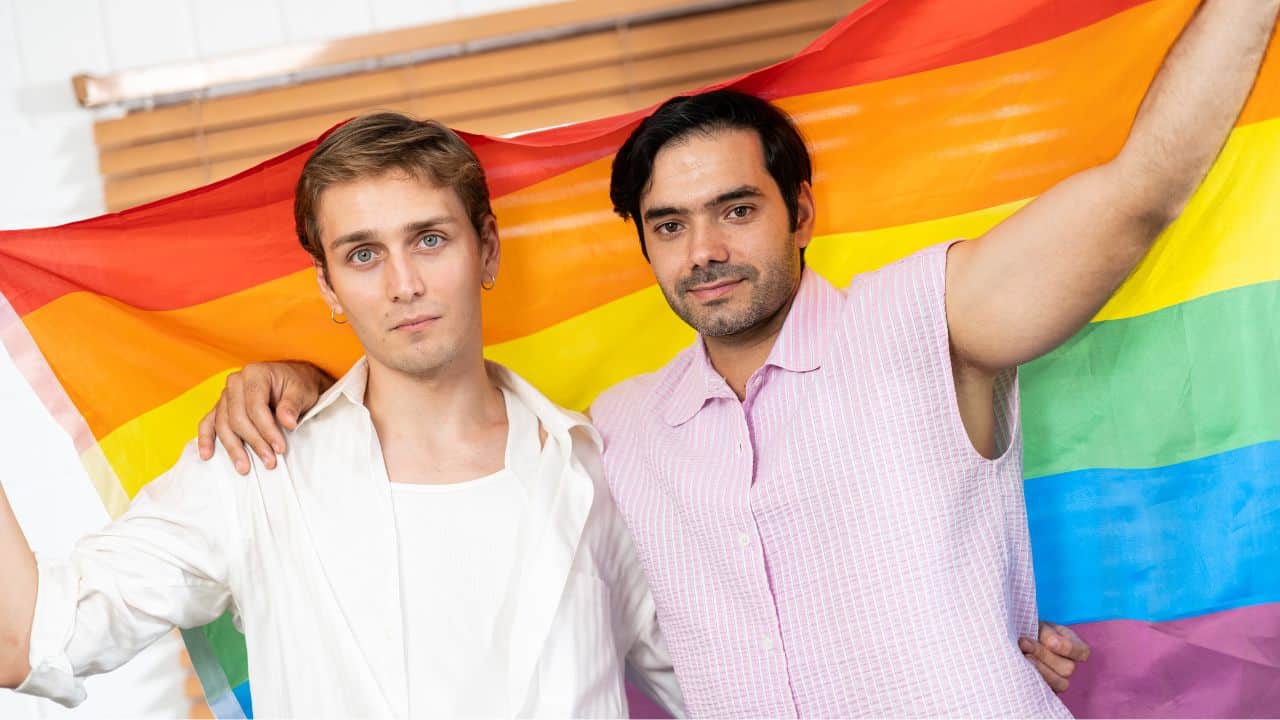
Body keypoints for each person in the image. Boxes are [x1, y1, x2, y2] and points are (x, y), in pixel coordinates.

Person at [0, 113, 682, 718]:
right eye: (363, 254)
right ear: (328, 285)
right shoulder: (256, 471)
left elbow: (728, 686)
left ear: (489, 250)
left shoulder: (606, 470)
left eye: (430, 240)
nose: (403, 284)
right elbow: (27, 641)